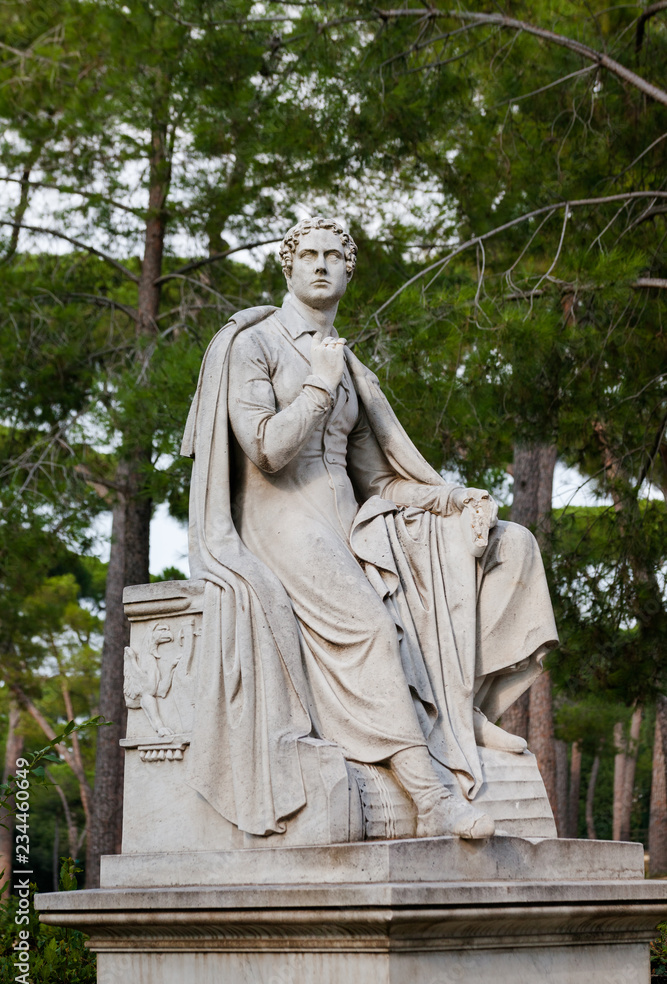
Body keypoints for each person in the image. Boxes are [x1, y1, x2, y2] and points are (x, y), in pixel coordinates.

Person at [181, 217, 558, 840]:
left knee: (506, 546)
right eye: (309, 255)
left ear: (349, 270)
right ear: (289, 265)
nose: (322, 264)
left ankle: (461, 708)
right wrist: (318, 386)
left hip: (351, 521)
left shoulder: (347, 363)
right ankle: (432, 796)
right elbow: (267, 448)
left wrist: (450, 499)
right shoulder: (257, 344)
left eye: (335, 255)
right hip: (278, 520)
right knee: (374, 626)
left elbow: (377, 480)